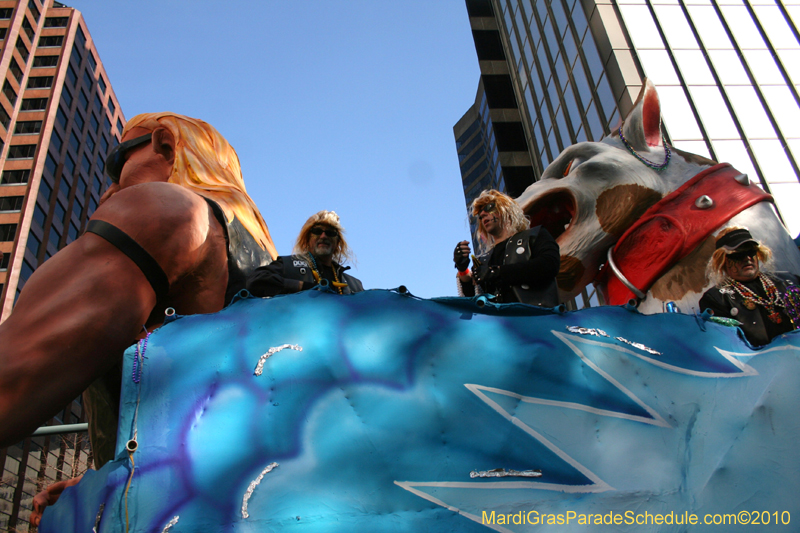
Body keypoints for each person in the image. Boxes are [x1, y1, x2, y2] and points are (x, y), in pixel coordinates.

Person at [0, 112, 276, 451]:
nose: (110, 188)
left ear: (165, 145)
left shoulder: (166, 210)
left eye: (118, 163)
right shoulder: (259, 258)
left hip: (170, 501)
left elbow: (13, 374)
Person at [454, 189, 559, 306]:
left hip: (539, 317)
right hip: (501, 322)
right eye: (480, 215)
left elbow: (550, 264)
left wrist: (498, 273)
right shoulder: (483, 260)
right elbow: (474, 301)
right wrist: (462, 269)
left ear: (506, 209)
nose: (482, 215)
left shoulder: (535, 235)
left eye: (489, 207)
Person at [699, 227, 800, 346]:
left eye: (750, 252)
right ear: (723, 260)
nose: (747, 258)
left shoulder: (789, 281)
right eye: (738, 254)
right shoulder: (716, 299)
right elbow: (728, 346)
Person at [247, 210, 363, 296]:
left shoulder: (354, 285)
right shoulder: (289, 265)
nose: (323, 236)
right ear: (307, 239)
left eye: (330, 233)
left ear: (337, 242)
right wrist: (302, 286)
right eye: (317, 231)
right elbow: (256, 281)